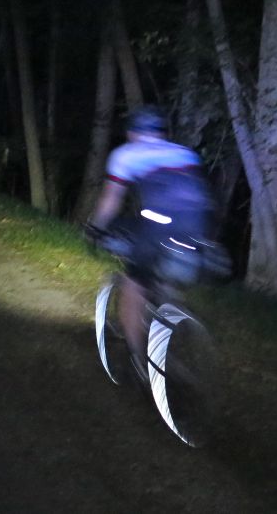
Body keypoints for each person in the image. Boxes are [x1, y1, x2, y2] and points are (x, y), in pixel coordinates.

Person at [85, 105, 215, 377]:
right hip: (199, 226)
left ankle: (138, 358)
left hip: (160, 227)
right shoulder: (185, 153)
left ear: (132, 133)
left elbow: (111, 200)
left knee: (133, 286)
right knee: (164, 271)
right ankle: (170, 301)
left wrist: (95, 228)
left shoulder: (126, 154)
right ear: (161, 132)